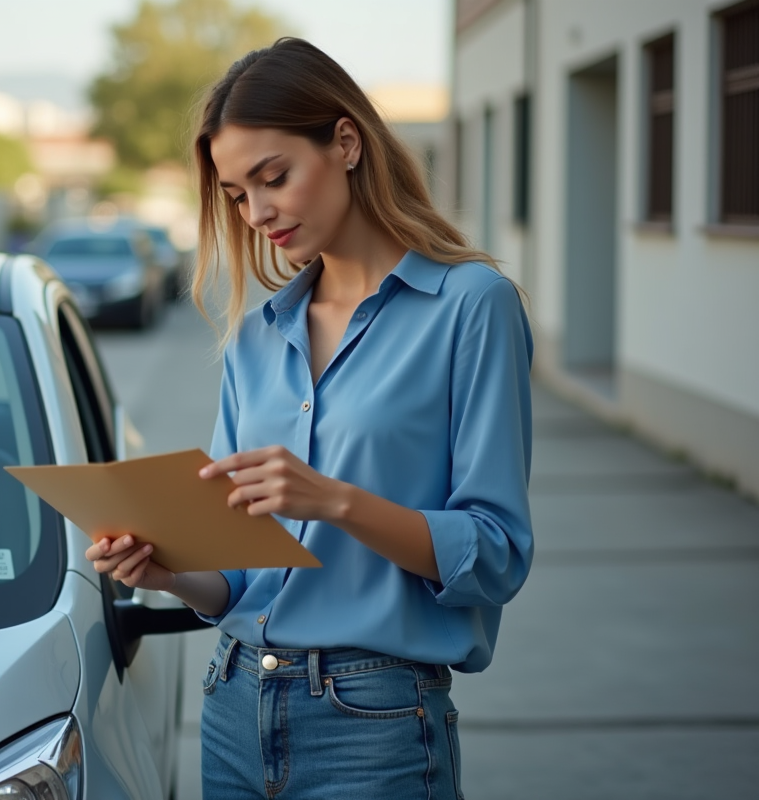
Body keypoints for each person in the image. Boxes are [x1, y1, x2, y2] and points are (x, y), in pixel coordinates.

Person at [87, 37, 533, 799]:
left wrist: (335, 500)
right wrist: (171, 575)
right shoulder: (256, 337)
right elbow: (239, 577)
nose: (257, 213)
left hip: (375, 722)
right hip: (231, 706)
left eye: (274, 178)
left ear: (346, 143)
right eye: (236, 194)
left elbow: (495, 555)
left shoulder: (470, 307)